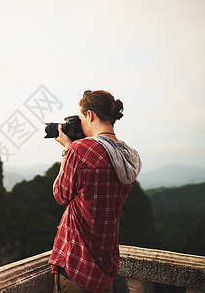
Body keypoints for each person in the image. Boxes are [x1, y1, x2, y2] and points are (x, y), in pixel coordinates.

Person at [49, 90, 142, 293]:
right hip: (106, 264)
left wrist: (67, 149)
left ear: (90, 115)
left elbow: (60, 194)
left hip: (77, 265)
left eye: (81, 118)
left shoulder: (80, 150)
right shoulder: (129, 156)